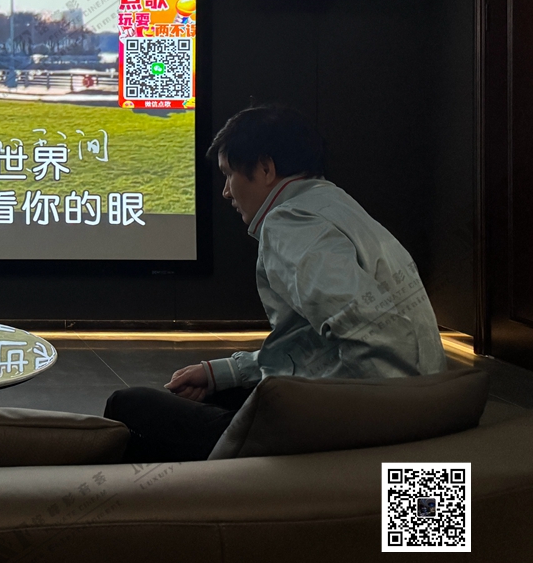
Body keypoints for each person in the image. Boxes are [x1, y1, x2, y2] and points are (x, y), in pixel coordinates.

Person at [105, 104, 447, 462]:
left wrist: (333, 433)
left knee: (128, 405)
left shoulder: (291, 223)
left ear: (266, 169)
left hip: (365, 428)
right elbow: (316, 345)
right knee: (215, 395)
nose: (226, 192)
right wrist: (224, 372)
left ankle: (216, 489)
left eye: (229, 174)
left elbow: (378, 340)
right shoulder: (335, 206)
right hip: (416, 408)